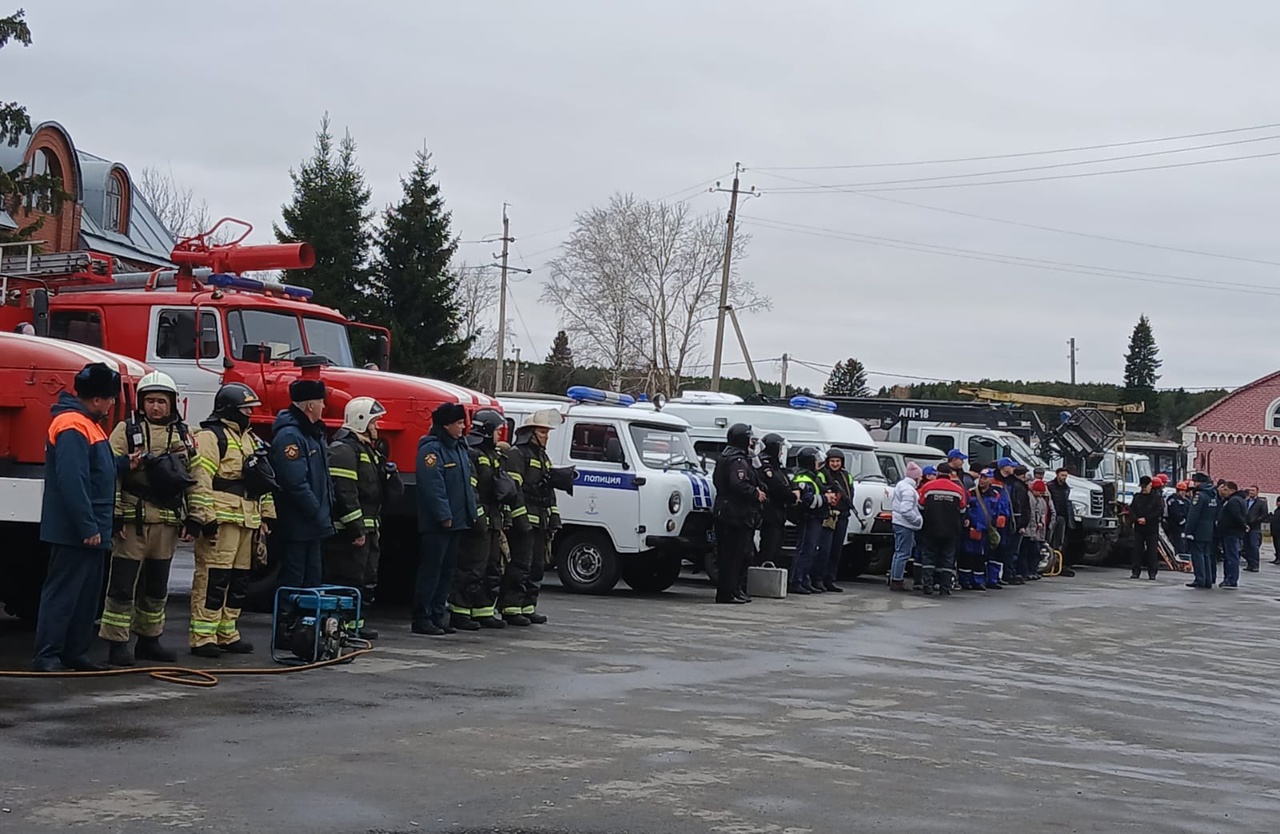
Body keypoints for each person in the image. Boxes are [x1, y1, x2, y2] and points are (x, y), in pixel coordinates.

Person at [32, 362, 138, 673]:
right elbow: (71, 480)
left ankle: (74, 654)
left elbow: (94, 469)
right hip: (76, 532)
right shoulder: (72, 426)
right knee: (63, 595)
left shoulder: (87, 424)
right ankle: (47, 656)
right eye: (110, 398)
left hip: (91, 531)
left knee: (85, 597)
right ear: (97, 399)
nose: (112, 404)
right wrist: (86, 526)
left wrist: (123, 464)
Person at [100, 371, 194, 667]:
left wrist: (196, 517)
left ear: (172, 404)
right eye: (150, 401)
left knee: (156, 588)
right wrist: (114, 515)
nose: (156, 407)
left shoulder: (182, 434)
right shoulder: (125, 431)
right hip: (132, 522)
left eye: (161, 402)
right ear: (141, 403)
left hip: (166, 523)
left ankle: (149, 640)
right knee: (122, 587)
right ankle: (117, 643)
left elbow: (196, 477)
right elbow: (109, 474)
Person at [186, 383, 276, 657]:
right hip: (221, 521)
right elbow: (200, 480)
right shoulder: (211, 438)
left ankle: (227, 632)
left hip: (247, 519)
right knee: (214, 578)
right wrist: (205, 518)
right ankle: (203, 636)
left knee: (239, 580)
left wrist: (266, 517)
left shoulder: (250, 439)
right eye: (245, 409)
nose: (250, 413)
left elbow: (263, 480)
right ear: (229, 410)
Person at [325, 397, 402, 639]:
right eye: (374, 422)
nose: (377, 427)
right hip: (350, 533)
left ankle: (354, 624)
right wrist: (355, 529)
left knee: (366, 579)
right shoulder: (344, 450)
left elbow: (386, 493)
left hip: (369, 529)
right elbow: (345, 493)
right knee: (348, 578)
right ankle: (341, 626)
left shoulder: (368, 450)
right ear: (361, 421)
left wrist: (391, 475)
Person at [500, 409, 574, 625]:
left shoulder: (542, 457)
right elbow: (515, 490)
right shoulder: (517, 454)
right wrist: (520, 520)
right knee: (520, 565)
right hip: (525, 521)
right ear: (530, 433)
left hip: (541, 520)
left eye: (547, 432)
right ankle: (511, 608)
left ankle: (527, 607)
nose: (546, 436)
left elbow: (549, 491)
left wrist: (554, 519)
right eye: (542, 432)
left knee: (537, 566)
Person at [448, 408, 515, 629]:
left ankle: (483, 610)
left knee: (492, 567)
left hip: (493, 520)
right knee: (471, 567)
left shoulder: (492, 455)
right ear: (486, 431)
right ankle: (461, 611)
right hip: (479, 521)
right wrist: (478, 518)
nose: (499, 435)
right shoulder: (473, 454)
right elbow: (471, 491)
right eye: (496, 430)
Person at [413, 402, 476, 635]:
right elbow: (433, 486)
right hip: (438, 524)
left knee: (447, 571)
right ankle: (422, 618)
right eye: (459, 423)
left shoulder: (459, 448)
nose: (463, 428)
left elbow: (466, 486)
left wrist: (471, 513)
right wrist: (443, 515)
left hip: (457, 521)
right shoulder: (432, 450)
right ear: (446, 425)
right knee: (431, 571)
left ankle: (438, 615)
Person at [270, 379, 333, 588]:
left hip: (312, 524)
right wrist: (316, 511)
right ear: (310, 406)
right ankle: (288, 618)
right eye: (321, 402)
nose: (324, 407)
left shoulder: (312, 434)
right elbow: (295, 482)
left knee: (312, 579)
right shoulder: (291, 436)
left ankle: (304, 619)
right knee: (294, 577)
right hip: (299, 524)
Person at [712, 423, 763, 604]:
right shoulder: (736, 460)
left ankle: (734, 590)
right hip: (732, 514)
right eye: (749, 439)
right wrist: (756, 493)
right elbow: (738, 485)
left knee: (740, 554)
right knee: (730, 556)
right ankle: (727, 593)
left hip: (733, 512)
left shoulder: (733, 457)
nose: (752, 443)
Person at [916, 462, 967, 595]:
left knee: (928, 556)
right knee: (947, 558)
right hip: (951, 530)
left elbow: (920, 507)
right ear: (950, 474)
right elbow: (962, 510)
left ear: (938, 473)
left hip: (930, 528)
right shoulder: (958, 489)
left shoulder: (927, 487)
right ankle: (945, 587)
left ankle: (928, 586)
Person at [788, 446, 830, 595]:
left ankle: (805, 581)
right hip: (808, 519)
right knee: (804, 551)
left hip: (816, 519)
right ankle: (796, 581)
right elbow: (808, 501)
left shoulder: (814, 476)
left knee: (811, 551)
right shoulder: (802, 478)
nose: (819, 462)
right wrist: (826, 499)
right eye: (816, 460)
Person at [816, 448, 854, 593]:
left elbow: (850, 492)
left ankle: (830, 579)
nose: (835, 464)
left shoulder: (846, 475)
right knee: (824, 549)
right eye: (832, 461)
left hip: (842, 516)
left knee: (836, 549)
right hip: (828, 515)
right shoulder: (823, 474)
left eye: (838, 461)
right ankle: (818, 578)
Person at [756, 433, 795, 572]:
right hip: (770, 513)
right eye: (779, 448)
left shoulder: (776, 465)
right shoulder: (765, 465)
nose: (781, 452)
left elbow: (786, 482)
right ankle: (762, 577)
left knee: (776, 546)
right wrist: (792, 496)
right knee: (769, 546)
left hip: (778, 513)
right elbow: (776, 486)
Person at [889, 462, 923, 591]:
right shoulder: (909, 490)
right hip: (905, 524)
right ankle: (897, 580)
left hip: (897, 522)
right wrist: (917, 520)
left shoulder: (901, 485)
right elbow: (906, 510)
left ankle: (894, 578)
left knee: (898, 552)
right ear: (916, 477)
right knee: (903, 553)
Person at [1183, 472, 1220, 589]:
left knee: (1197, 555)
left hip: (1198, 530)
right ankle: (1208, 580)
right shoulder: (1213, 495)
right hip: (1209, 529)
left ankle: (1200, 579)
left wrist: (1188, 531)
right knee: (1206, 555)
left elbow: (1193, 515)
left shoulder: (1199, 495)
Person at [996, 458, 1027, 585]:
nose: (1014, 468)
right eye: (1011, 466)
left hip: (1010, 521)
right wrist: (1020, 523)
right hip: (1003, 521)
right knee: (1006, 550)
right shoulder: (1002, 483)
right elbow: (1017, 505)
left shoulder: (1013, 483)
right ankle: (1005, 575)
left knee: (1009, 551)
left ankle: (1006, 574)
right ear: (1004, 467)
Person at [1128, 475, 1164, 581]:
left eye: (1145, 487)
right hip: (1139, 528)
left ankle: (1152, 572)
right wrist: (1136, 518)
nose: (1144, 489)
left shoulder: (1156, 498)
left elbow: (1158, 511)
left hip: (1151, 528)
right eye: (1142, 487)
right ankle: (1135, 571)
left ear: (1150, 485)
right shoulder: (1137, 497)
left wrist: (1146, 519)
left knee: (1152, 552)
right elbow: (1132, 509)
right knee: (1136, 551)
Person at [1216, 481, 1248, 589]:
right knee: (1231, 555)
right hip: (1231, 532)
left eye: (1225, 489)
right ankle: (1229, 578)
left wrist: (1244, 526)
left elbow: (1236, 516)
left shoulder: (1234, 501)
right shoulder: (1237, 500)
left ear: (1232, 490)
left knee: (1231, 556)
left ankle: (1231, 579)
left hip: (1231, 532)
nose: (1223, 492)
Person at [1046, 468, 1076, 577]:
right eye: (1062, 475)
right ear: (1057, 475)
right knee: (1050, 539)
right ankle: (1048, 564)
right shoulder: (1050, 486)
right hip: (1054, 516)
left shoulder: (1066, 488)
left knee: (1060, 542)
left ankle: (1057, 564)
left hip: (1063, 517)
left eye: (1066, 476)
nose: (1064, 478)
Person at [1024, 479, 1056, 580]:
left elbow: (1044, 513)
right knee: (1029, 552)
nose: (1041, 494)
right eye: (1039, 492)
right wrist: (1035, 525)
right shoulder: (1030, 498)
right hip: (1031, 530)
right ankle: (1028, 572)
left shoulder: (1042, 500)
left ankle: (1033, 570)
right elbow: (1032, 514)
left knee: (1036, 553)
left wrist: (1043, 523)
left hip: (1039, 530)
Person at [1242, 486, 1269, 573]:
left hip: (1255, 528)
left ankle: (1255, 564)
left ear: (1257, 492)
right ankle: (1249, 564)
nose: (1251, 492)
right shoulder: (1245, 502)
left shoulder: (1261, 503)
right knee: (1246, 546)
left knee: (1254, 546)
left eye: (1253, 490)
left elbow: (1264, 514)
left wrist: (1255, 521)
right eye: (1250, 490)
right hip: (1245, 527)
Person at [1165, 481, 1191, 553]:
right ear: (1177, 491)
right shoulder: (1173, 500)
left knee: (1184, 545)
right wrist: (1183, 522)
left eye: (1184, 491)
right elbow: (1175, 514)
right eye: (1182, 491)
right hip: (1176, 527)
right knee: (1178, 544)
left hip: (1184, 527)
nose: (1183, 493)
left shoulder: (1186, 501)